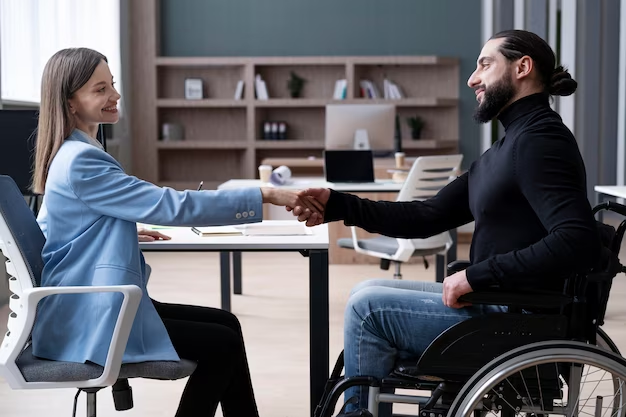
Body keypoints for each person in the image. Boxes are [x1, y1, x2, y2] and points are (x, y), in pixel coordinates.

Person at [289, 29, 602, 415]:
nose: (473, 78)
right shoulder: (511, 145)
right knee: (366, 289)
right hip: (500, 305)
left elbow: (577, 239)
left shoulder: (540, 142)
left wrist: (475, 276)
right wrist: (338, 204)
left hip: (514, 318)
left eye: (485, 65)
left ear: (523, 68)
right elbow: (427, 215)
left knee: (367, 309)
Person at [31, 47, 321, 417]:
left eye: (113, 85)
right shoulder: (82, 160)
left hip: (82, 305)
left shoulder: (71, 153)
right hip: (89, 315)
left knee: (226, 323)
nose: (115, 96)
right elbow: (174, 205)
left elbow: (50, 229)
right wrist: (264, 194)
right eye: (99, 89)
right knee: (221, 344)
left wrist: (112, 233)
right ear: (70, 103)